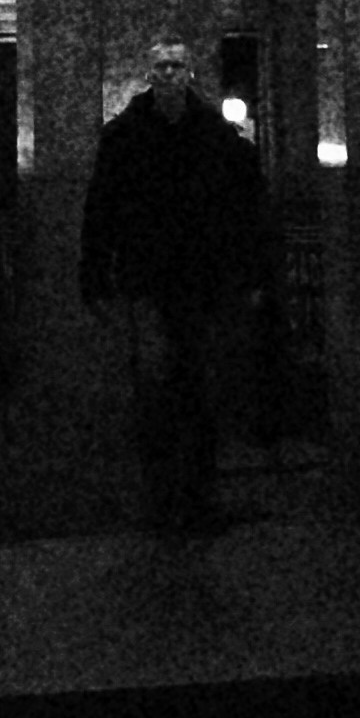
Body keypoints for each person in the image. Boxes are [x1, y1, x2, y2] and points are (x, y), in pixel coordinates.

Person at [78, 38, 274, 537]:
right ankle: (176, 496)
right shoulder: (200, 135)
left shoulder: (145, 135)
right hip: (167, 276)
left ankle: (182, 496)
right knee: (171, 387)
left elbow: (241, 210)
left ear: (187, 73)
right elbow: (102, 208)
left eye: (176, 66)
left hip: (182, 276)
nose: (168, 73)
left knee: (185, 387)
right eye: (161, 66)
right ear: (151, 73)